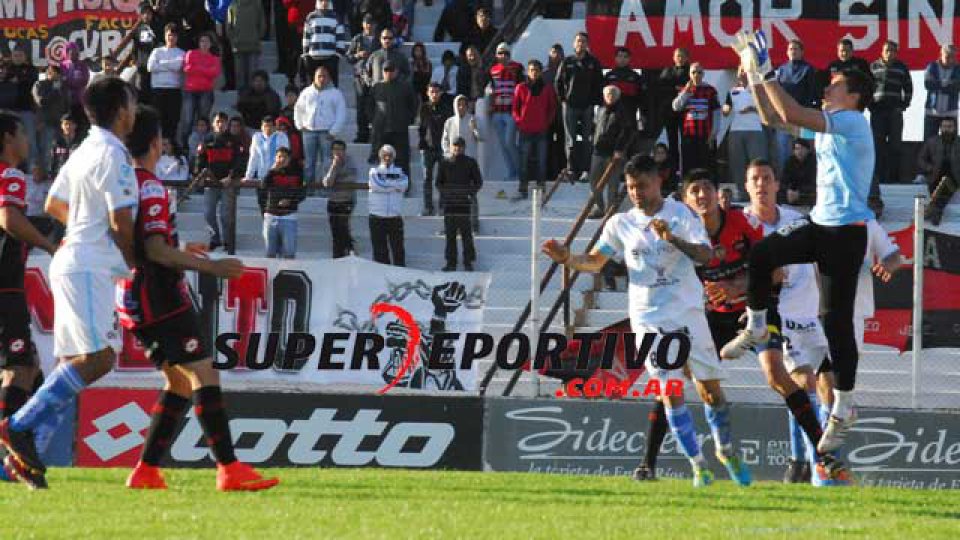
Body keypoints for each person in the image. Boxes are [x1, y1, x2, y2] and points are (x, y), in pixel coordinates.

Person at [542, 155, 746, 488]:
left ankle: (725, 450)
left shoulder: (681, 215)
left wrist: (672, 240)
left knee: (711, 393)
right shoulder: (620, 223)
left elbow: (706, 255)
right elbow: (595, 261)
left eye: (642, 186)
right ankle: (698, 466)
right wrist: (568, 259)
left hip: (688, 314)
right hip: (649, 318)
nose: (636, 192)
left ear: (658, 182)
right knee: (669, 390)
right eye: (631, 186)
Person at [728, 29, 875, 480]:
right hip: (821, 224)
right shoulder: (832, 123)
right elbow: (775, 120)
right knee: (764, 253)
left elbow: (789, 108)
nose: (826, 88)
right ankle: (756, 325)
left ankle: (844, 405)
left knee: (835, 324)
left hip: (846, 235)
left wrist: (767, 67)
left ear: (853, 97)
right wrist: (753, 74)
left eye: (834, 85)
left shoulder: (852, 123)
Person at [118, 104, 279, 491]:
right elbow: (154, 251)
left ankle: (146, 470)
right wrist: (211, 266)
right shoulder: (151, 185)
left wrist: (177, 245)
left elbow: (143, 241)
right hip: (158, 292)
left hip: (133, 293)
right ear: (157, 142)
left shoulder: (124, 181)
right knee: (203, 372)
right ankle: (228, 468)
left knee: (179, 380)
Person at [0, 78, 139, 489]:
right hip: (88, 265)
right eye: (131, 101)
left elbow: (53, 204)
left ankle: (26, 461)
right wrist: (138, 263)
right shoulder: (114, 155)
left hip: (73, 260)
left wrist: (77, 229)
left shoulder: (83, 150)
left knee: (69, 365)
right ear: (121, 110)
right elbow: (120, 222)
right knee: (98, 359)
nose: (134, 109)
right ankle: (18, 425)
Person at [635, 169, 759, 484]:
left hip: (746, 313)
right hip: (704, 316)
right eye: (694, 191)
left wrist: (739, 287)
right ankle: (650, 464)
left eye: (707, 189)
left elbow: (767, 267)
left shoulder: (740, 223)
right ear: (686, 199)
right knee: (670, 384)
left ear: (719, 194)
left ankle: (804, 461)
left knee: (779, 373)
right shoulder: (674, 230)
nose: (702, 196)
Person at [739, 158, 845, 486]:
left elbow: (817, 264)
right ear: (747, 186)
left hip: (812, 313)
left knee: (831, 389)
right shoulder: (742, 225)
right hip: (779, 317)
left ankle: (813, 459)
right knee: (803, 384)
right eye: (754, 178)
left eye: (766, 178)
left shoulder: (796, 221)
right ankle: (811, 464)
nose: (761, 184)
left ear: (776, 185)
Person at [0, 112, 59, 485]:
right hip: (5, 288)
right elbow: (9, 219)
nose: (27, 141)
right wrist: (48, 244)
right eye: (22, 133)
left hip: (8, 287)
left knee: (30, 368)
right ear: (8, 137)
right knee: (18, 367)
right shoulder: (9, 175)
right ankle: (14, 453)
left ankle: (20, 456)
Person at [556, 33, 604, 182]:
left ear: (587, 44)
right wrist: (563, 100)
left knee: (587, 139)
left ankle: (585, 170)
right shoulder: (567, 61)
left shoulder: (593, 62)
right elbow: (558, 82)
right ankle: (571, 169)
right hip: (570, 106)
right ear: (573, 43)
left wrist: (595, 103)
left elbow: (599, 83)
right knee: (570, 139)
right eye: (578, 41)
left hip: (587, 107)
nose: (580, 44)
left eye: (583, 41)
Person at [198, 112, 245, 251]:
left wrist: (230, 177)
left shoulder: (235, 141)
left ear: (227, 124)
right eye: (218, 121)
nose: (220, 124)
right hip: (210, 183)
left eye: (223, 122)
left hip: (227, 184)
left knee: (226, 215)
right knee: (208, 214)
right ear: (213, 123)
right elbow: (199, 161)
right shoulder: (206, 140)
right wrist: (202, 176)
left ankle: (227, 241)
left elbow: (239, 162)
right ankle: (215, 239)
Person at [512, 60, 557, 201]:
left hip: (541, 130)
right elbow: (514, 109)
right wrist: (520, 121)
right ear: (527, 71)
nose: (534, 72)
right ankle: (523, 187)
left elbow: (552, 108)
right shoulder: (521, 87)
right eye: (531, 70)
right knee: (524, 161)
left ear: (541, 71)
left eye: (536, 70)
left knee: (541, 160)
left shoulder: (547, 88)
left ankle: (541, 187)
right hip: (525, 130)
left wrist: (546, 123)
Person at [295, 66, 347, 187]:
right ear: (314, 77)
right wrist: (300, 125)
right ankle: (309, 190)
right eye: (319, 76)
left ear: (329, 78)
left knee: (327, 163)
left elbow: (341, 113)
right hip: (308, 132)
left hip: (326, 132)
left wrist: (333, 131)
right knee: (309, 163)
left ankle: (325, 191)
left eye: (324, 76)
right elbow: (298, 109)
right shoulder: (307, 92)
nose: (322, 79)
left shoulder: (336, 93)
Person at [869, 40, 911, 190]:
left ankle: (893, 178)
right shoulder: (873, 67)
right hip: (878, 111)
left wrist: (904, 106)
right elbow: (867, 88)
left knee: (895, 145)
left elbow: (908, 88)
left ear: (896, 53)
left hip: (895, 111)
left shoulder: (902, 68)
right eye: (887, 50)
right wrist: (870, 105)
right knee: (877, 145)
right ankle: (878, 179)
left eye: (893, 51)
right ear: (882, 51)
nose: (889, 53)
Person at [437, 137, 482, 272]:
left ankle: (468, 262)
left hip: (464, 204)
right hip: (450, 204)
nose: (457, 148)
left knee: (466, 234)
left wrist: (468, 193)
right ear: (451, 147)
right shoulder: (444, 163)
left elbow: (478, 182)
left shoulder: (470, 162)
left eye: (460, 146)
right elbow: (439, 183)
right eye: (455, 146)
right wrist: (448, 194)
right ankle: (451, 263)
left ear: (464, 147)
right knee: (450, 235)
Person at [586, 85, 631, 217]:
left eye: (612, 94)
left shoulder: (623, 111)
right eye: (608, 94)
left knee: (613, 183)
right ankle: (599, 208)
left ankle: (610, 211)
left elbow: (627, 132)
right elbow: (595, 126)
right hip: (598, 151)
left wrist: (619, 149)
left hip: (614, 153)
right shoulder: (599, 109)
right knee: (594, 181)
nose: (610, 96)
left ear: (617, 96)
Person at [774, 39, 819, 169]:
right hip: (784, 117)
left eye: (795, 49)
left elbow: (811, 93)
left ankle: (804, 182)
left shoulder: (808, 69)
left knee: (802, 149)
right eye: (790, 49)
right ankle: (785, 182)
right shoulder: (781, 70)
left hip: (801, 117)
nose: (793, 51)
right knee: (783, 150)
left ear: (802, 52)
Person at [723, 69, 767, 198]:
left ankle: (759, 191)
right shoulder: (732, 91)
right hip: (736, 130)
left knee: (758, 163)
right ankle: (742, 192)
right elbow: (727, 108)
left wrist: (752, 109)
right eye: (740, 72)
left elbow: (767, 107)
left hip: (755, 130)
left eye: (745, 71)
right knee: (737, 163)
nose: (742, 74)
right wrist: (725, 109)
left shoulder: (758, 89)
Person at [371, 61, 417, 179]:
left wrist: (407, 119)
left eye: (391, 70)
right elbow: (369, 106)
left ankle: (404, 186)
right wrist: (375, 120)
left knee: (402, 160)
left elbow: (413, 104)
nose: (389, 73)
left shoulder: (405, 86)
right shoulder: (377, 87)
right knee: (382, 159)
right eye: (386, 70)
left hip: (399, 129)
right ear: (382, 71)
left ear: (397, 71)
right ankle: (382, 184)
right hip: (381, 130)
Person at [671, 62, 720, 175]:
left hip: (706, 134)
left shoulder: (710, 90)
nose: (696, 75)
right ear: (689, 74)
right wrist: (686, 92)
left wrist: (714, 133)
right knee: (689, 167)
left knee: (707, 166)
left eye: (699, 72)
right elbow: (676, 107)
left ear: (703, 74)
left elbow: (717, 112)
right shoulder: (685, 90)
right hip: (689, 134)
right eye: (693, 72)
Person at [258, 147, 306, 258]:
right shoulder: (271, 173)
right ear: (275, 158)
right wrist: (271, 171)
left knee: (289, 252)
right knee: (270, 252)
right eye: (279, 156)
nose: (281, 159)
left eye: (284, 157)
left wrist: (290, 201)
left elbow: (302, 193)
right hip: (271, 216)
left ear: (289, 159)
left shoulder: (297, 173)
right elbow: (262, 189)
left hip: (289, 217)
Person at [487, 42, 523, 183]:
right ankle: (511, 172)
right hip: (497, 112)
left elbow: (521, 88)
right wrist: (490, 105)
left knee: (509, 142)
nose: (503, 56)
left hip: (510, 111)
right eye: (500, 53)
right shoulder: (492, 70)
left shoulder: (517, 68)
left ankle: (520, 172)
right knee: (503, 145)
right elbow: (490, 89)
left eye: (506, 53)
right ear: (496, 55)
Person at [114, 2, 163, 104]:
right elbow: (135, 48)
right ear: (140, 15)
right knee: (141, 93)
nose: (146, 15)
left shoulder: (158, 28)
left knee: (155, 96)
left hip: (155, 69)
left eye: (149, 13)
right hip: (142, 68)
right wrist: (137, 61)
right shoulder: (138, 30)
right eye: (144, 13)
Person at [368, 144, 407, 266]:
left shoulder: (400, 172)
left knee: (398, 249)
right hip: (377, 216)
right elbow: (376, 185)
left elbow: (404, 185)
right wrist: (394, 185)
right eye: (384, 155)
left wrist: (386, 185)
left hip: (395, 217)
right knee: (379, 251)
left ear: (393, 157)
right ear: (380, 156)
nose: (387, 158)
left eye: (390, 155)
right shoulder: (374, 171)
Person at [180, 32, 221, 149]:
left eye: (207, 41)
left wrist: (197, 68)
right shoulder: (191, 53)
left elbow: (215, 72)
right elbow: (187, 68)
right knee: (188, 120)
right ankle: (184, 147)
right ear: (198, 43)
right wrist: (205, 70)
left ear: (210, 44)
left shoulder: (214, 58)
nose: (204, 44)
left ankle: (204, 145)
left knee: (203, 120)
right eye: (202, 41)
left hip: (206, 91)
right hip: (190, 91)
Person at [418, 83, 454, 215]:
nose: (434, 94)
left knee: (443, 178)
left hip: (442, 148)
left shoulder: (446, 108)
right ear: (427, 93)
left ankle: (442, 206)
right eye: (431, 91)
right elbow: (421, 127)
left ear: (440, 93)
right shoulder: (424, 108)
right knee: (426, 178)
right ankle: (428, 207)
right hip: (427, 148)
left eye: (437, 92)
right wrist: (422, 143)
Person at [917, 116, 960, 225]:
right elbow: (921, 159)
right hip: (935, 175)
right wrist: (929, 168)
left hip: (955, 176)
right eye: (944, 126)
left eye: (950, 127)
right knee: (941, 186)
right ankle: (936, 211)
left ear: (954, 128)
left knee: (947, 181)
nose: (947, 129)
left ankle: (931, 211)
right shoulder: (932, 141)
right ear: (940, 128)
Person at [147, 23, 186, 140]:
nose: (171, 38)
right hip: (157, 90)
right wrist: (171, 65)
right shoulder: (157, 51)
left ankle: (170, 146)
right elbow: (151, 67)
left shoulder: (182, 53)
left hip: (174, 90)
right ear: (165, 36)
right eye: (169, 35)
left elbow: (179, 66)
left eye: (173, 35)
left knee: (172, 121)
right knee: (158, 121)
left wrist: (162, 64)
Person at [323, 139, 362, 258]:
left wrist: (336, 179)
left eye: (340, 149)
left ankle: (350, 251)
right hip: (333, 201)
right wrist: (334, 167)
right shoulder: (328, 162)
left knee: (343, 228)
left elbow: (350, 180)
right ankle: (337, 257)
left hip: (347, 201)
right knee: (335, 232)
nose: (337, 152)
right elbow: (327, 183)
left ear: (344, 151)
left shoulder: (350, 162)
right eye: (335, 149)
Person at [32, 64, 71, 178]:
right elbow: (41, 101)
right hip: (45, 122)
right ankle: (42, 175)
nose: (54, 75)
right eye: (51, 72)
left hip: (60, 123)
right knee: (45, 150)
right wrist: (54, 90)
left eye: (57, 73)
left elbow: (67, 104)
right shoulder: (39, 84)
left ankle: (57, 173)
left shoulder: (62, 87)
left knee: (61, 150)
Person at [300, 0, 348, 88]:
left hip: (330, 57)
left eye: (326, 1)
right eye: (321, 1)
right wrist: (306, 54)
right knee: (313, 87)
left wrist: (337, 55)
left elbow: (340, 37)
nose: (324, 3)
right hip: (313, 57)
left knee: (332, 87)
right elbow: (306, 36)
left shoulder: (336, 17)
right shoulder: (311, 17)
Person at [346, 13, 379, 143]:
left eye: (371, 23)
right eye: (367, 23)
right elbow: (349, 57)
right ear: (363, 24)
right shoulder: (358, 39)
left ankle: (376, 134)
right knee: (361, 107)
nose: (369, 26)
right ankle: (362, 134)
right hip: (360, 77)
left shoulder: (379, 39)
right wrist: (358, 55)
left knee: (376, 107)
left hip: (375, 77)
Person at [658, 47, 691, 172]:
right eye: (678, 56)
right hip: (670, 113)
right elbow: (662, 87)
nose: (680, 59)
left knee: (686, 143)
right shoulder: (668, 71)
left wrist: (680, 88)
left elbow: (692, 88)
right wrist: (677, 88)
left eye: (682, 56)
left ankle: (686, 170)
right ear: (673, 58)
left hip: (686, 113)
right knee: (672, 142)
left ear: (687, 58)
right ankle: (673, 170)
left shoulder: (691, 72)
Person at [923, 44, 960, 142]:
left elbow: (956, 87)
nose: (950, 59)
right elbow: (928, 84)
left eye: (953, 56)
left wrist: (938, 84)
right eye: (947, 56)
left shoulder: (958, 69)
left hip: (950, 113)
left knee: (952, 144)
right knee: (929, 143)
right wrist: (946, 83)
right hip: (932, 112)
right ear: (941, 54)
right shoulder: (932, 67)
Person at [227, 0, 266, 91]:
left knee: (247, 77)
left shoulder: (256, 4)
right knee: (247, 76)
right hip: (243, 45)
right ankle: (245, 100)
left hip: (246, 45)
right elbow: (229, 27)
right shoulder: (233, 6)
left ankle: (248, 100)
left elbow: (262, 24)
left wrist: (233, 39)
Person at [246, 116, 290, 182]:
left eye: (270, 126)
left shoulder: (282, 136)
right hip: (261, 176)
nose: (268, 128)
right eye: (265, 126)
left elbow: (285, 157)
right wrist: (248, 176)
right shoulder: (256, 137)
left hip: (277, 175)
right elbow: (253, 157)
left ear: (275, 127)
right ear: (261, 127)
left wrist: (275, 170)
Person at [47, 115, 82, 182]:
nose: (68, 127)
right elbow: (52, 159)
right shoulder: (57, 142)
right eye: (65, 124)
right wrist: (51, 175)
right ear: (62, 126)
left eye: (70, 124)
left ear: (75, 126)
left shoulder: (80, 143)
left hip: (75, 177)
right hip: (59, 176)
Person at [782, 139, 816, 206]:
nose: (799, 151)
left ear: (807, 150)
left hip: (806, 193)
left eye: (802, 148)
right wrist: (789, 190)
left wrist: (799, 192)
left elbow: (814, 183)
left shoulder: (813, 161)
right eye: (797, 149)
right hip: (792, 193)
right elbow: (784, 180)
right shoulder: (790, 161)